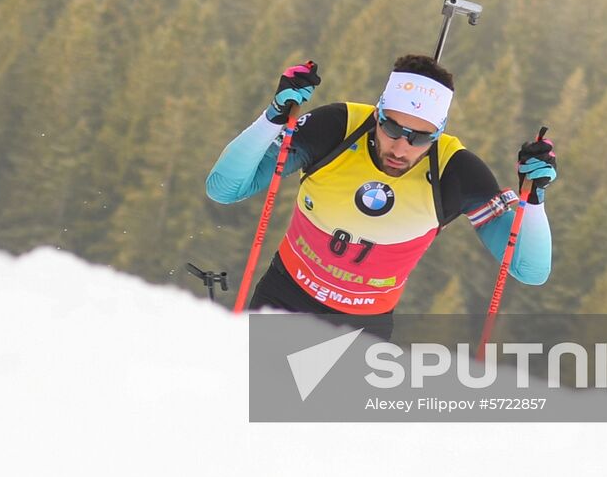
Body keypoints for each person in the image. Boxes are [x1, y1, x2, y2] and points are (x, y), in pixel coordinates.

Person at [206, 55, 555, 337]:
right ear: (378, 112)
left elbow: (530, 270)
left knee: (328, 425)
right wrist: (274, 118)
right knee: (248, 406)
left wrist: (534, 200)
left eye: (419, 137)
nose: (401, 148)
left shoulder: (455, 170)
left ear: (439, 132)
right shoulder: (336, 128)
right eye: (390, 128)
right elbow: (224, 188)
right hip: (284, 297)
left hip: (362, 327)